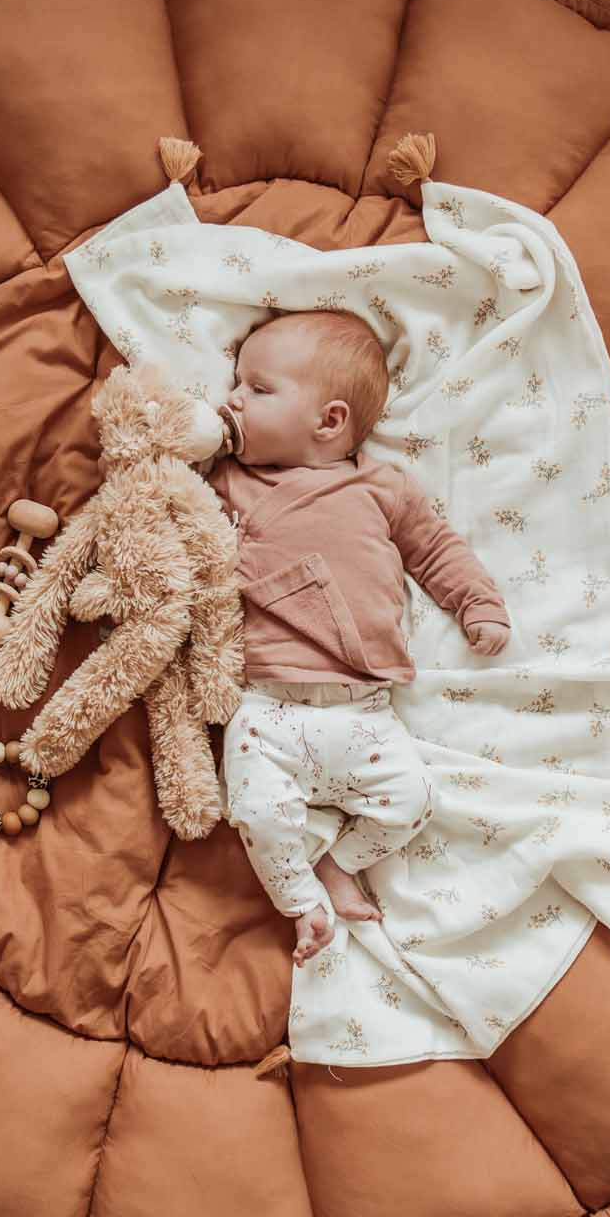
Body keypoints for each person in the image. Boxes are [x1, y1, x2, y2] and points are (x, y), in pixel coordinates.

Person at [203, 308, 511, 968]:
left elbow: (436, 551)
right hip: (267, 707)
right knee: (255, 812)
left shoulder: (382, 487)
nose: (230, 398)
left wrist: (478, 604)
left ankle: (337, 865)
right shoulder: (230, 482)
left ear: (330, 421)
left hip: (364, 712)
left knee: (412, 801)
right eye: (236, 381)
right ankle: (303, 903)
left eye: (257, 389)